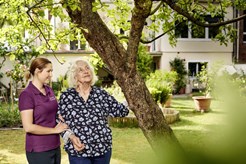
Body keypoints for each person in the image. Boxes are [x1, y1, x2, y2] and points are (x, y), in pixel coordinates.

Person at [58, 59, 129, 164]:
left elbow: (120, 110)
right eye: (81, 70)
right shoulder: (66, 96)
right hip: (78, 152)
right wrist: (71, 137)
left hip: (102, 149)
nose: (86, 71)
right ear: (75, 76)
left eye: (87, 68)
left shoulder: (101, 94)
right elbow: (58, 121)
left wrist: (132, 96)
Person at [18, 57, 68, 164]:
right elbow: (28, 127)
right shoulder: (27, 95)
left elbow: (53, 112)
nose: (51, 75)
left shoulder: (49, 90)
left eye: (51, 71)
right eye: (48, 71)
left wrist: (60, 116)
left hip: (55, 146)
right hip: (39, 149)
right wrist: (54, 130)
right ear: (37, 71)